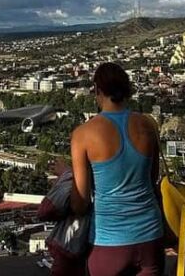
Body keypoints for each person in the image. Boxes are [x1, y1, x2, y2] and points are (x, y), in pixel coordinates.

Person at [70, 62, 164, 276]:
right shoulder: (148, 125)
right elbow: (152, 179)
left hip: (109, 241)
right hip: (150, 236)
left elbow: (80, 203)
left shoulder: (83, 134)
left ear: (97, 90)